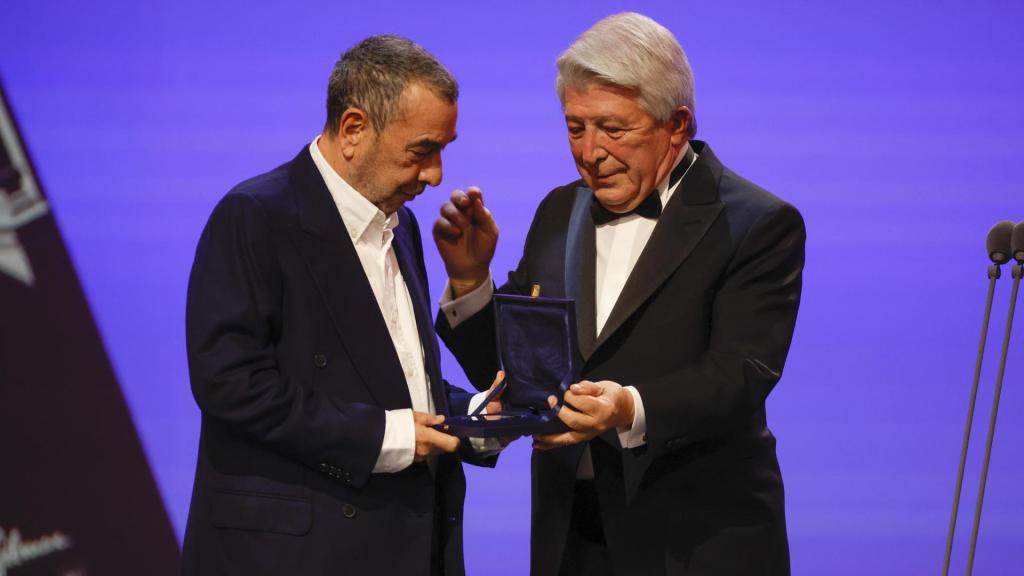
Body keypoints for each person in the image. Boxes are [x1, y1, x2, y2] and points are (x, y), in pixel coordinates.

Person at [434, 12, 805, 576]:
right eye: (575, 128)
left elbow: (742, 372)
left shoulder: (758, 223)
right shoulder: (560, 210)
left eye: (613, 129)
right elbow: (521, 373)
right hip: (571, 538)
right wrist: (470, 281)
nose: (589, 152)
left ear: (676, 125)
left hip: (697, 540)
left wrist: (627, 407)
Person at [181, 35, 498, 576]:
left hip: (408, 546)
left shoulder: (404, 228)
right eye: (423, 150)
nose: (436, 174)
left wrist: (474, 418)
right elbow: (229, 383)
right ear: (354, 130)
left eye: (443, 149)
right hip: (295, 556)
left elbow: (386, 378)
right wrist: (385, 436)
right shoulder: (255, 217)